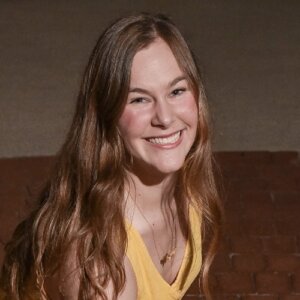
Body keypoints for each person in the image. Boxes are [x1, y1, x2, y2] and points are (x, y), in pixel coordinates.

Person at [0, 12, 223, 300]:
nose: (166, 118)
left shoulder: (185, 180)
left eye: (177, 91)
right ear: (106, 114)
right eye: (139, 99)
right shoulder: (100, 266)